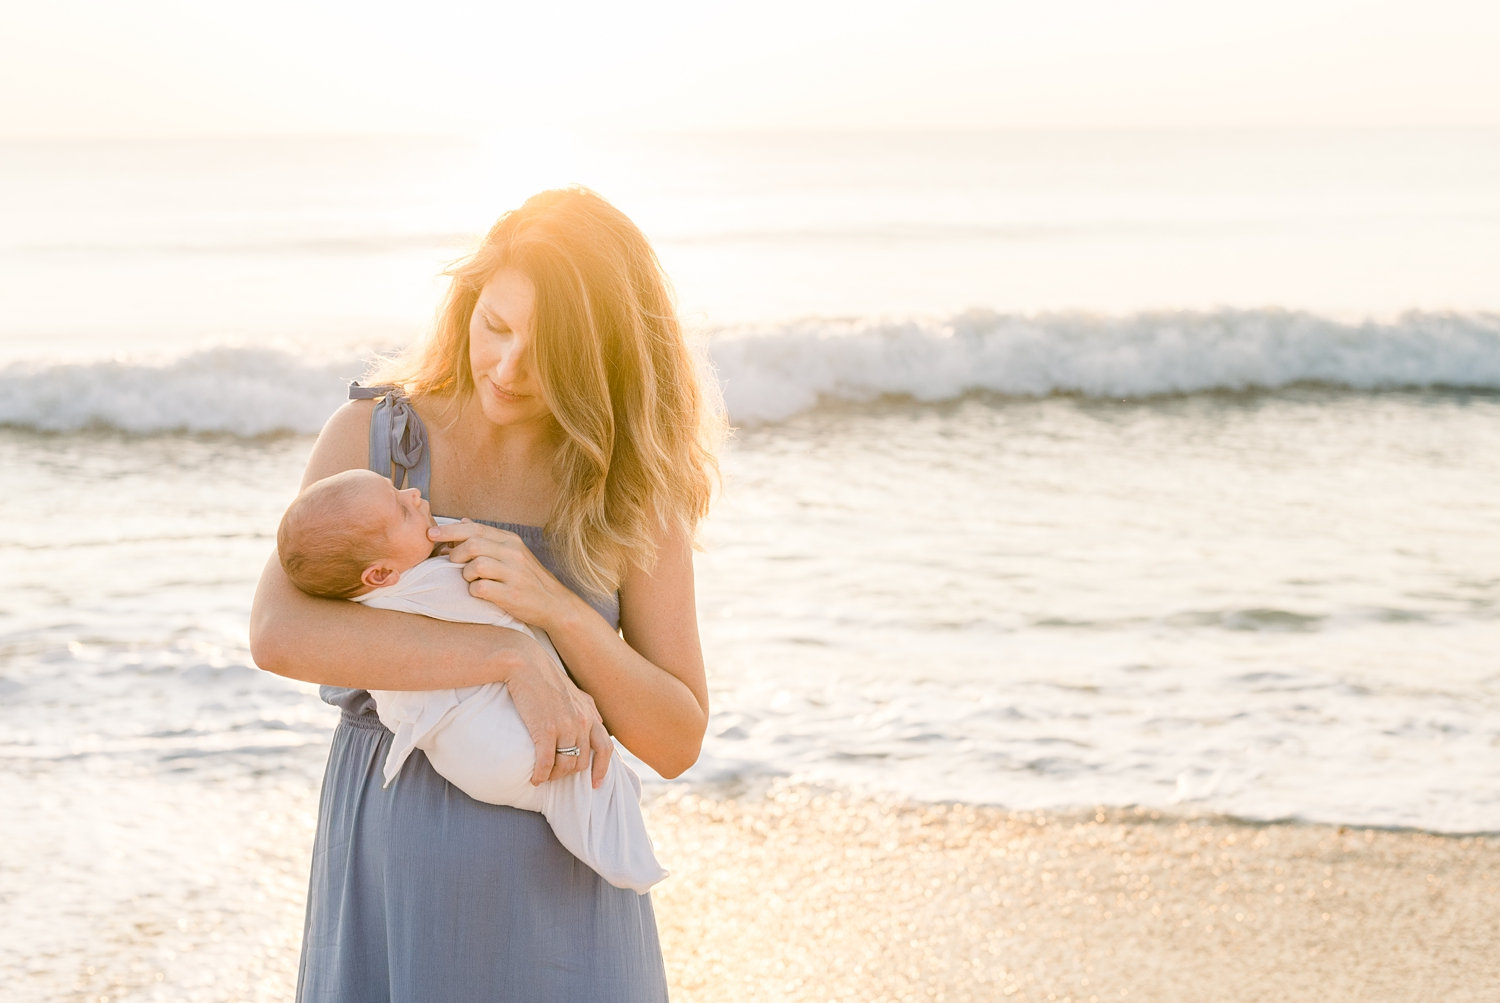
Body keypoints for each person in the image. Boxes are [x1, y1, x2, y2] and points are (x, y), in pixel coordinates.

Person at [249, 186, 720, 1002]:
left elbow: (676, 736)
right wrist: (506, 655)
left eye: (546, 353)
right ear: (467, 301)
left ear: (601, 356)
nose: (507, 367)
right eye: (495, 327)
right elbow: (278, 631)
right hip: (390, 886)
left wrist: (554, 611)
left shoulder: (633, 490)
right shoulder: (377, 444)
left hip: (566, 911)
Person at [275, 467, 667, 893]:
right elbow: (275, 637)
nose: (414, 495)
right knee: (570, 777)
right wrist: (518, 653)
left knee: (577, 781)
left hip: (465, 761)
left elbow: (676, 744)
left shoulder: (386, 578)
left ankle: (620, 845)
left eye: (399, 490)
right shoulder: (420, 585)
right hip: (480, 747)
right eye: (402, 510)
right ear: (380, 575)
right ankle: (627, 856)